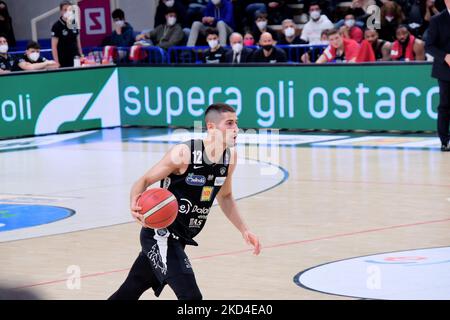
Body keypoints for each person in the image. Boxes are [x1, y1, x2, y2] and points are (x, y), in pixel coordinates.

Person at [109, 103, 261, 300]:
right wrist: (134, 204)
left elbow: (225, 196)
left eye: (236, 123)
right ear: (211, 127)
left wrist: (244, 229)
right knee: (191, 298)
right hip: (160, 235)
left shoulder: (229, 158)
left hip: (181, 239)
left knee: (129, 291)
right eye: (229, 123)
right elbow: (144, 181)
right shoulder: (185, 153)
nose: (236, 129)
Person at [425, 0, 450, 151]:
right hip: (445, 70)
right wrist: (445, 56)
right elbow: (429, 46)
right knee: (445, 106)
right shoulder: (437, 20)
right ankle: (444, 140)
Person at [51, 1, 82, 67]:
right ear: (61, 11)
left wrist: (81, 55)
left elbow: (78, 41)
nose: (67, 12)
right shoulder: (56, 26)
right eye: (65, 10)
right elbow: (54, 47)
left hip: (76, 58)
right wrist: (56, 62)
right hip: (63, 60)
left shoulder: (74, 23)